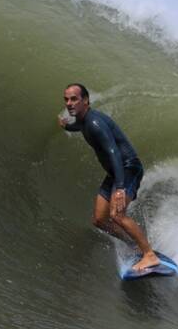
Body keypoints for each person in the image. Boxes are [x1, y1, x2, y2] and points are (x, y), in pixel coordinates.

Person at [59, 83, 161, 273]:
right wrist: (66, 126)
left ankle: (150, 255)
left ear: (86, 101)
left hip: (128, 169)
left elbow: (113, 151)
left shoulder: (95, 123)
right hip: (115, 173)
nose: (69, 103)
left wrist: (120, 187)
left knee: (117, 215)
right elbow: (78, 127)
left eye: (74, 99)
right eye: (66, 99)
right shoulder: (82, 119)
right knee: (99, 220)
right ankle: (134, 244)